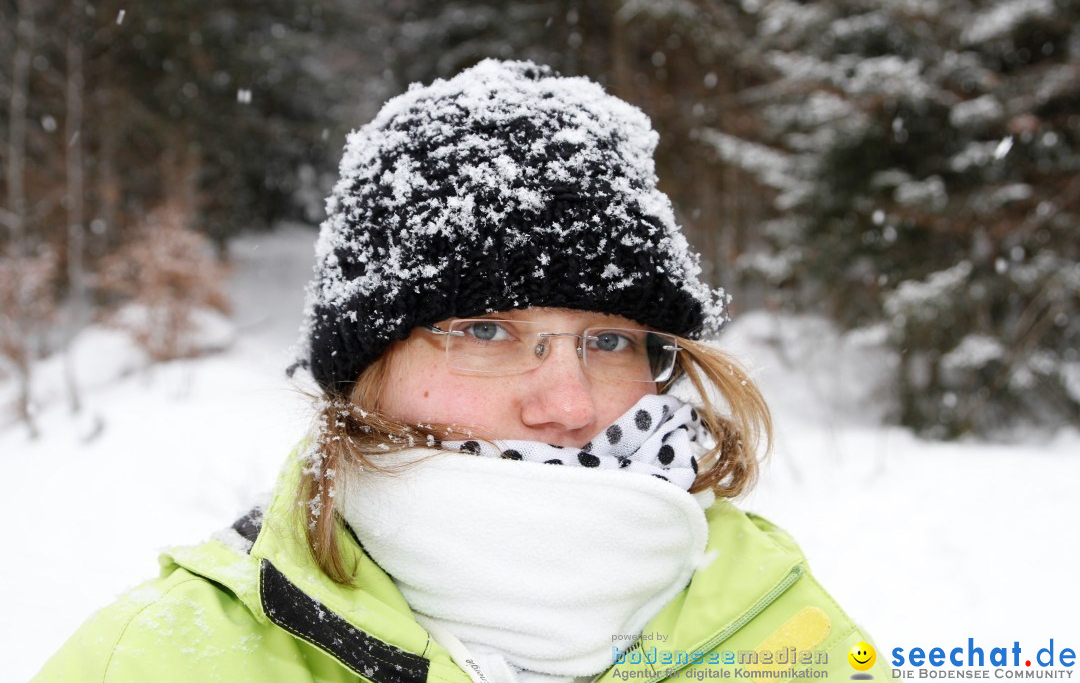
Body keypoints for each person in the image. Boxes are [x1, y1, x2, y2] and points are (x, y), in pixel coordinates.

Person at [32, 59, 890, 683]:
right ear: (366, 369)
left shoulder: (792, 640)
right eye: (485, 329)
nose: (567, 403)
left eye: (609, 340)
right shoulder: (156, 661)